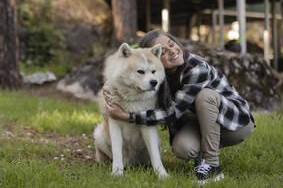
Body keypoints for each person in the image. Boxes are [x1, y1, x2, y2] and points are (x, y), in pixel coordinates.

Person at [104, 30, 256, 184]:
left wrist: (128, 117)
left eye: (172, 44)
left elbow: (172, 112)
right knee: (183, 149)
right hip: (200, 121)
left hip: (235, 123)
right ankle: (201, 157)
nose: (172, 51)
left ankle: (212, 166)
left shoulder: (197, 68)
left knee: (206, 96)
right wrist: (111, 87)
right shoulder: (158, 75)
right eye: (163, 52)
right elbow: (125, 73)